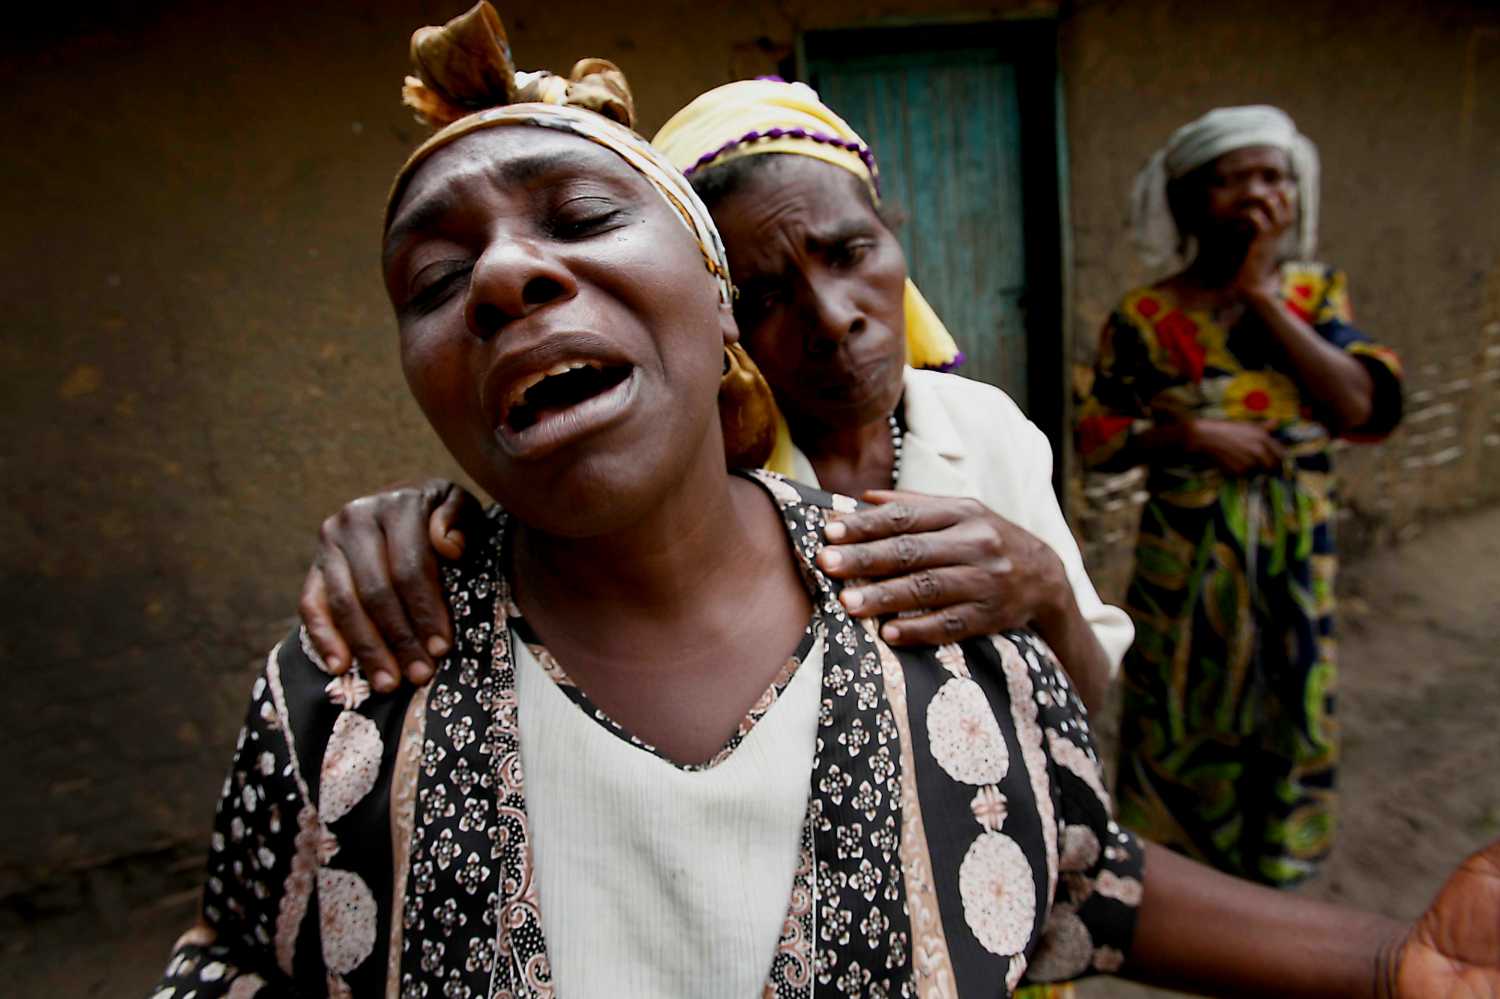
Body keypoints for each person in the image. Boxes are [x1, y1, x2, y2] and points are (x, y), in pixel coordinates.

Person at [155, 6, 1500, 997]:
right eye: (437, 281)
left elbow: (1070, 865)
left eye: (583, 217)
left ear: (704, 311)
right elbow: (239, 953)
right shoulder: (358, 679)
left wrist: (1392, 964)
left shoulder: (940, 612)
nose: (506, 275)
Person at [298, 78, 1128, 717]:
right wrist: (420, 530)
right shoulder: (686, 492)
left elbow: (1090, 714)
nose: (832, 319)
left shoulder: (988, 429)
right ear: (714, 306)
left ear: (893, 237)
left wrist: (1047, 589)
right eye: (765, 295)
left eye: (850, 251)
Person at [1076, 106, 1405, 888]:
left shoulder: (1315, 298)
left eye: (1273, 177)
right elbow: (1097, 438)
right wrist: (1191, 435)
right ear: (1189, 202)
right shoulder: (1146, 317)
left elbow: (1358, 405)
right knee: (1176, 699)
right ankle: (1174, 879)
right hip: (1184, 565)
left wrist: (1260, 295)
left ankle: (1275, 868)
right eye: (1232, 180)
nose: (1257, 194)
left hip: (1294, 558)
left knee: (1287, 691)